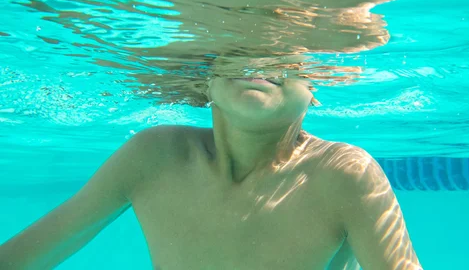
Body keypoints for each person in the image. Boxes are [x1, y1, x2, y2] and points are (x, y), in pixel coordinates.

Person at [0, 74, 422, 269]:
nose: (258, 59)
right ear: (205, 83)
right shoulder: (154, 156)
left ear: (318, 88)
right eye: (237, 49)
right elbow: (28, 253)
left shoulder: (343, 173)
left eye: (283, 55)